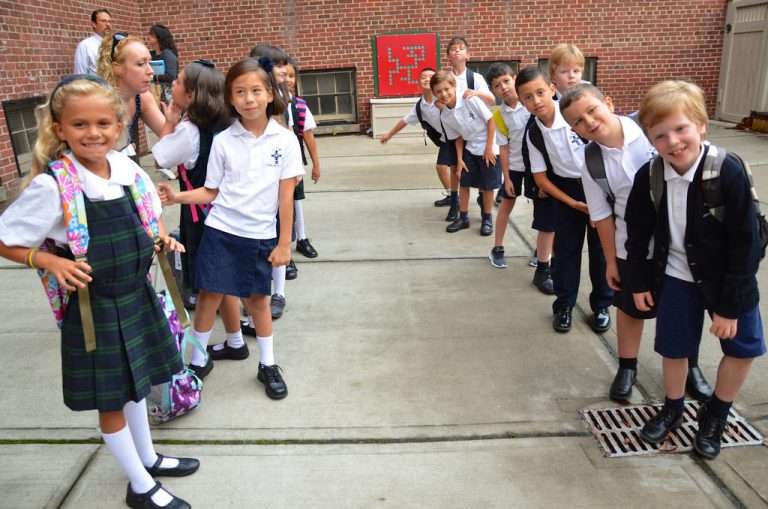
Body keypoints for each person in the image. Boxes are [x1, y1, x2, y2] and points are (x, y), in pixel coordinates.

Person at [0, 75, 196, 509]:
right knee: (112, 400)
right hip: (97, 311)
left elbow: (149, 216)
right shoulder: (54, 185)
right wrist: (49, 261)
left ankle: (147, 458)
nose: (93, 133)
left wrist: (161, 238)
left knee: (137, 386)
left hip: (136, 296)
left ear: (119, 125)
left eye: (103, 123)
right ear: (60, 129)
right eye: (80, 124)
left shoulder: (126, 171)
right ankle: (140, 486)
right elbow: (5, 239)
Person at [625, 81, 765, 458]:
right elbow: (636, 233)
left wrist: (730, 307)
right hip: (676, 276)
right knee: (675, 347)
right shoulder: (650, 176)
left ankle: (716, 413)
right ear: (650, 139)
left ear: (701, 125)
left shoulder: (727, 171)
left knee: (742, 347)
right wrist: (637, 281)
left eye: (681, 128)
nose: (673, 142)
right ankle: (673, 408)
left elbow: (747, 243)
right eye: (660, 135)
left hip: (729, 279)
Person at [157, 58, 303, 400]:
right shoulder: (224, 141)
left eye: (256, 90)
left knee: (258, 301)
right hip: (220, 231)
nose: (248, 98)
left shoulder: (285, 141)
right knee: (209, 295)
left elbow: (285, 198)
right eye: (239, 92)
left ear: (270, 94)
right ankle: (198, 360)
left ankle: (267, 364)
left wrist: (284, 244)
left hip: (260, 235)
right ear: (230, 98)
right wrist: (177, 196)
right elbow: (211, 191)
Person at [560, 83, 712, 402]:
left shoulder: (651, 132)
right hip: (631, 244)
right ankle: (627, 366)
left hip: (681, 241)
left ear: (609, 103)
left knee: (684, 307)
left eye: (592, 111)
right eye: (578, 121)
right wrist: (611, 260)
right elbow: (601, 214)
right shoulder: (591, 161)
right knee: (629, 307)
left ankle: (691, 365)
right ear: (574, 130)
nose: (589, 122)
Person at [151, 60, 248, 373]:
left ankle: (197, 359)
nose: (173, 85)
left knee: (209, 287)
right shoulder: (228, 125)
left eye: (179, 81)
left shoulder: (190, 131)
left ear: (192, 94)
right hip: (232, 212)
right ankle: (235, 341)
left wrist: (169, 122)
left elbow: (161, 157)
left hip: (203, 216)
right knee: (222, 282)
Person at [516, 66, 613, 333]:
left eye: (540, 92)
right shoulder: (533, 132)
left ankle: (602, 305)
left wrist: (602, 198)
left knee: (601, 250)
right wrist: (572, 203)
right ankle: (564, 305)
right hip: (565, 192)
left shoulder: (574, 117)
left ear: (552, 89)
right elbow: (541, 179)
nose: (536, 101)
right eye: (527, 97)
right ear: (521, 102)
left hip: (598, 184)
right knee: (566, 252)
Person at [433, 71, 500, 236]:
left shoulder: (469, 99)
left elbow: (491, 120)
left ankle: (487, 219)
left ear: (454, 87)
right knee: (464, 183)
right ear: (434, 94)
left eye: (446, 89)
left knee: (486, 186)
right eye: (439, 91)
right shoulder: (445, 115)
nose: (444, 94)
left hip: (488, 145)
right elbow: (458, 137)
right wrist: (460, 160)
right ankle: (463, 218)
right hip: (470, 148)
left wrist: (489, 148)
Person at [381, 67, 454, 211]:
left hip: (459, 136)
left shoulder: (443, 97)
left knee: (465, 167)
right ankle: (453, 196)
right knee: (443, 167)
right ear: (419, 82)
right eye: (423, 77)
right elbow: (404, 121)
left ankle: (485, 191)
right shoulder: (420, 106)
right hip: (446, 139)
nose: (426, 79)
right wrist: (389, 135)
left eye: (430, 77)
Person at [97, 32, 172, 162]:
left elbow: (170, 139)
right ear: (117, 68)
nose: (150, 71)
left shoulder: (142, 97)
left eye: (149, 63)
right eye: (140, 64)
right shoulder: (99, 103)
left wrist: (173, 120)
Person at [485, 63, 528, 269]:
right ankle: (498, 247)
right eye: (497, 85)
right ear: (493, 90)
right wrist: (507, 177)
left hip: (539, 169)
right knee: (505, 206)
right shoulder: (499, 115)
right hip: (516, 167)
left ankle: (542, 252)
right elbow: (503, 148)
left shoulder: (531, 104)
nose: (503, 87)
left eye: (506, 81)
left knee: (543, 211)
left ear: (515, 79)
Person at [284, 57, 321, 259]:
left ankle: (302, 238)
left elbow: (308, 136)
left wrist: (316, 165)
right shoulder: (267, 105)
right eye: (284, 75)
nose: (288, 79)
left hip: (294, 162)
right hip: (273, 162)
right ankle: (283, 247)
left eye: (291, 75)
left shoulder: (299, 106)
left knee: (296, 200)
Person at [147, 24, 179, 104]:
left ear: (158, 38)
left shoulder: (168, 54)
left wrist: (153, 77)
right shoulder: (151, 54)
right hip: (155, 93)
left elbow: (171, 76)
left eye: (151, 35)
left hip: (167, 95)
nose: (148, 37)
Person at [74, 9, 112, 75]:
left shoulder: (116, 45)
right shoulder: (85, 46)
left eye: (109, 21)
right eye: (103, 21)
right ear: (94, 24)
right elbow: (80, 76)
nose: (108, 24)